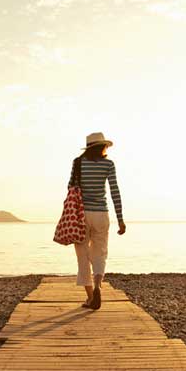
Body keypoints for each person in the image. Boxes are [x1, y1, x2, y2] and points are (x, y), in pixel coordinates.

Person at [68, 132, 126, 310]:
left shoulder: (78, 163)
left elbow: (70, 187)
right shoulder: (108, 164)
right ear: (102, 147)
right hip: (101, 214)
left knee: (83, 256)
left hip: (81, 214)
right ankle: (99, 286)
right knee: (100, 254)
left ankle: (91, 298)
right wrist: (120, 219)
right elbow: (114, 191)